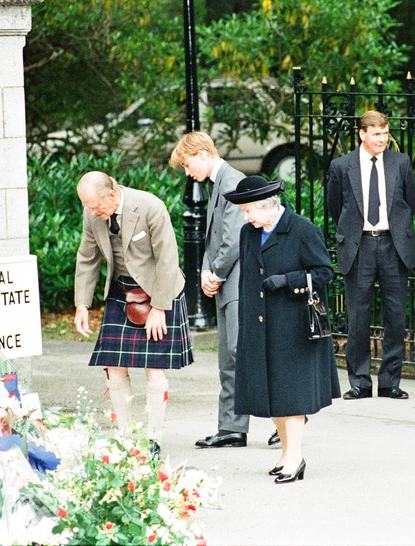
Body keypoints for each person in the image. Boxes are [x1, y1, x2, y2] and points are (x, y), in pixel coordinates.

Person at [224, 176, 341, 483]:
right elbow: (247, 280)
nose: (245, 216)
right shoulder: (249, 233)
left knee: (292, 395)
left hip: (293, 324)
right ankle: (285, 453)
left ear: (268, 206)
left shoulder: (302, 230)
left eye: (249, 210)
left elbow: (324, 272)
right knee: (273, 393)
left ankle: (296, 457)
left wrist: (289, 280)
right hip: (260, 324)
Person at [73, 171, 194, 455]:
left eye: (95, 206)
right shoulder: (93, 214)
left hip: (159, 290)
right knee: (113, 365)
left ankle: (153, 439)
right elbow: (87, 257)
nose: (92, 212)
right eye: (88, 206)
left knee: (154, 367)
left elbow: (167, 259)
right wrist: (82, 304)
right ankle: (126, 438)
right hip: (121, 291)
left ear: (112, 195)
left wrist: (159, 308)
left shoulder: (150, 206)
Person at [327, 110, 415, 400]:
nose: (381, 139)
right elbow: (334, 206)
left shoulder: (400, 162)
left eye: (385, 133)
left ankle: (390, 381)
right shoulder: (342, 166)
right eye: (376, 134)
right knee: (357, 316)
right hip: (360, 246)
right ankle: (360, 382)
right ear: (362, 134)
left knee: (395, 316)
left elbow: (410, 202)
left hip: (393, 245)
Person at [169, 132, 251, 449]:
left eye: (188, 165)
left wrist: (213, 273)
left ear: (203, 153)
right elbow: (213, 237)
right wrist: (205, 269)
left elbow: (233, 240)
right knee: (229, 357)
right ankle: (231, 427)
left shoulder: (231, 181)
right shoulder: (220, 183)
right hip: (226, 281)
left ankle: (283, 416)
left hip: (237, 280)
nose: (189, 173)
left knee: (240, 353)